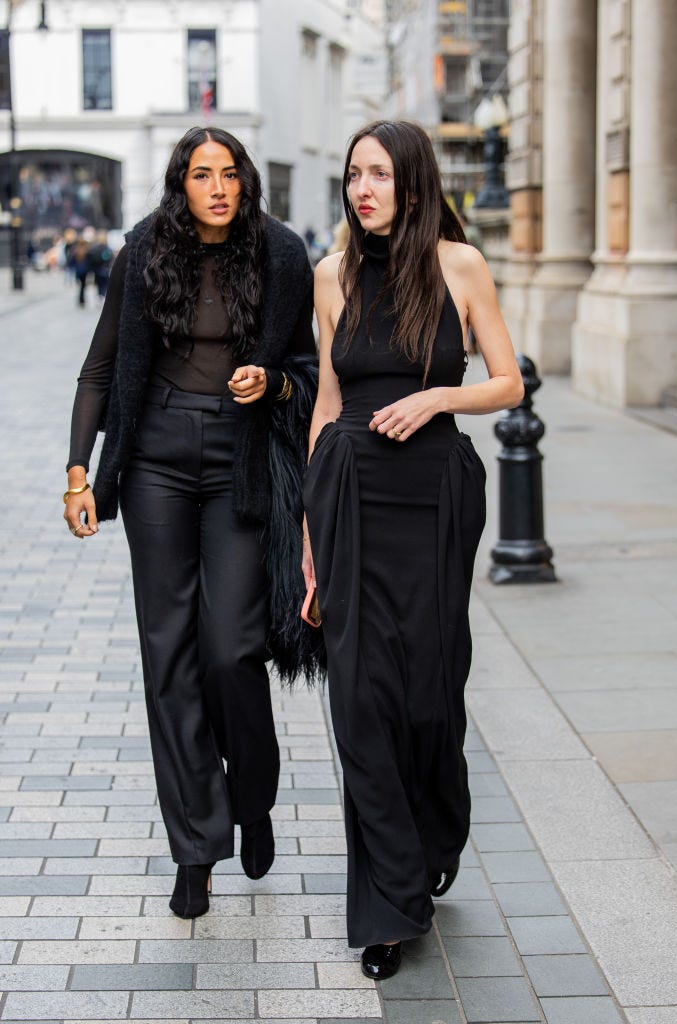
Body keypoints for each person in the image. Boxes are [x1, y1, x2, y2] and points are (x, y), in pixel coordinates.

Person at [64, 126, 321, 919]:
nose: (216, 186)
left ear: (246, 182)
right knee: (167, 654)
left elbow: (310, 373)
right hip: (156, 463)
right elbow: (103, 365)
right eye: (201, 174)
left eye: (229, 173)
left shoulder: (280, 255)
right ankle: (195, 848)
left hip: (239, 460)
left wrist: (271, 381)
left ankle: (253, 796)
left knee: (230, 649)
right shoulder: (144, 249)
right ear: (181, 185)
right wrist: (80, 470)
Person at [302, 120, 523, 979]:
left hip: (433, 496)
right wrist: (311, 543)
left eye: (380, 174)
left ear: (414, 183)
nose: (364, 189)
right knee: (360, 698)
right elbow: (325, 405)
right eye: (354, 174)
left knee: (428, 694)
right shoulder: (332, 275)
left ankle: (436, 828)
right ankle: (390, 905)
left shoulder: (458, 266)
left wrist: (436, 397)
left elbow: (506, 380)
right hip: (350, 495)